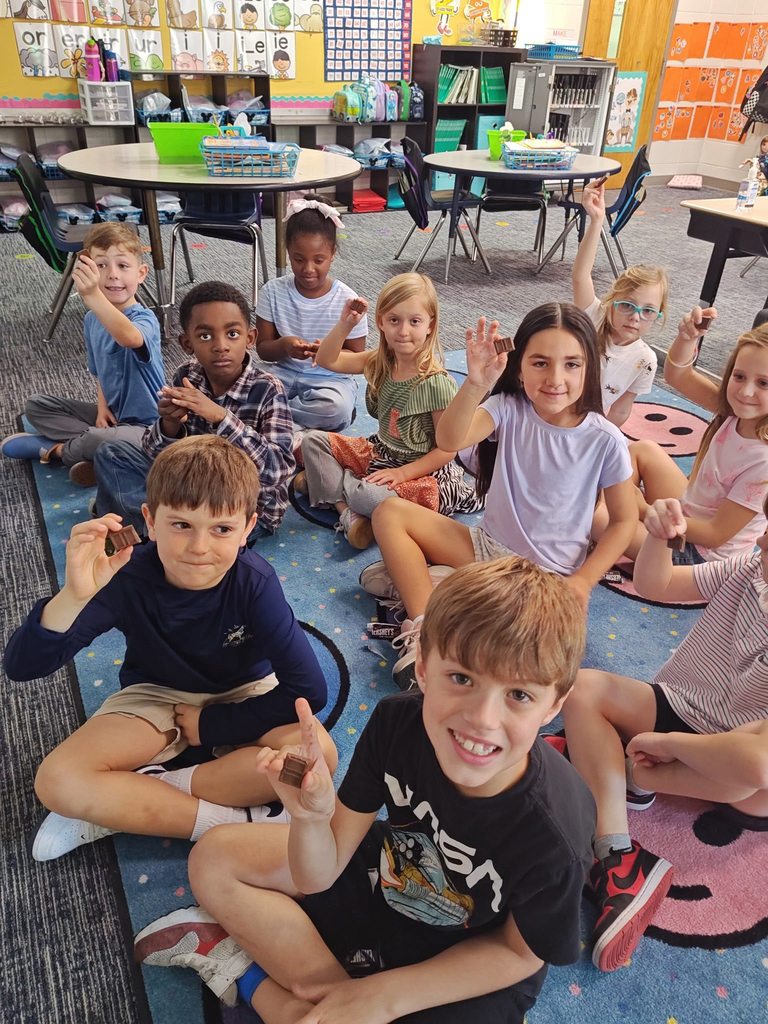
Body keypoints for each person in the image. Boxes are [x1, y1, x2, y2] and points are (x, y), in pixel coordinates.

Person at [135, 557, 597, 1024]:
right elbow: (320, 871)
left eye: (518, 695)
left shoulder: (556, 832)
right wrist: (312, 820)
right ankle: (320, 991)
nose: (482, 719)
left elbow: (518, 955)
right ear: (422, 668)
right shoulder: (397, 721)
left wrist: (386, 997)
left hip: (467, 959)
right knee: (214, 859)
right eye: (461, 678)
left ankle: (248, 979)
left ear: (554, 704)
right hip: (388, 877)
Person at [3, 435, 335, 863]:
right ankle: (229, 822)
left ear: (247, 530)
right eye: (181, 525)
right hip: (155, 693)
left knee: (316, 756)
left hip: (244, 689)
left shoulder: (255, 581)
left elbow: (309, 689)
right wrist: (72, 596)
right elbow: (23, 666)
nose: (199, 548)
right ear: (149, 521)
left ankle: (121, 802)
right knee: (57, 782)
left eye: (221, 529)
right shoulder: (125, 575)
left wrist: (212, 726)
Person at [368, 302, 637, 689]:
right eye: (540, 362)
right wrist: (476, 382)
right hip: (486, 550)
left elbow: (625, 521)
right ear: (520, 364)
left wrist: (583, 582)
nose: (555, 378)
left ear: (590, 367)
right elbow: (450, 439)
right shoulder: (508, 407)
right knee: (389, 513)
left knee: (531, 659)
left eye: (572, 364)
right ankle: (426, 628)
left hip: (545, 580)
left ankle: (437, 587)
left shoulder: (605, 439)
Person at [561, 493, 768, 973]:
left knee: (746, 776)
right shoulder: (748, 569)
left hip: (741, 768)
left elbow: (756, 761)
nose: (761, 541)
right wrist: (656, 539)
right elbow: (657, 582)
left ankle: (636, 775)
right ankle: (615, 853)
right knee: (583, 688)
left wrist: (666, 748)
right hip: (683, 702)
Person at [93, 280, 295, 540]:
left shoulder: (268, 389)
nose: (220, 345)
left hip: (243, 507)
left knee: (203, 521)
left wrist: (221, 417)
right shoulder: (187, 375)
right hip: (190, 486)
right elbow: (159, 456)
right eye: (205, 336)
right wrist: (169, 425)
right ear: (187, 343)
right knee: (112, 453)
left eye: (232, 334)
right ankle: (154, 529)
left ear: (250, 338)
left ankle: (147, 528)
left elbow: (278, 471)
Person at [295, 273, 482, 550]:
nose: (403, 331)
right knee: (312, 440)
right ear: (381, 321)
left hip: (423, 472)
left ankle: (332, 487)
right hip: (382, 453)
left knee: (368, 496)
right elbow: (327, 359)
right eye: (394, 320)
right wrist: (345, 325)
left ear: (431, 325)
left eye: (414, 321)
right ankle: (347, 512)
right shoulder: (380, 360)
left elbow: (447, 451)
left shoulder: (436, 383)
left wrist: (404, 474)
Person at [1, 223, 163, 486]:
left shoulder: (145, 319)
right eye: (101, 266)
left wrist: (92, 295)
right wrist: (102, 408)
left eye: (123, 266)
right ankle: (97, 454)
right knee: (37, 405)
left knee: (99, 439)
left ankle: (57, 451)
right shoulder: (92, 319)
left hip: (150, 428)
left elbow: (130, 337)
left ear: (141, 273)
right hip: (114, 417)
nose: (112, 275)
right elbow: (99, 370)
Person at [624, 320, 768, 563]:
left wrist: (642, 510)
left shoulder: (763, 461)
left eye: (764, 383)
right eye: (739, 376)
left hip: (698, 557)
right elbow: (677, 375)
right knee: (642, 450)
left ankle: (620, 524)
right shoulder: (734, 412)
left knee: (599, 513)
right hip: (688, 513)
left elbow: (714, 534)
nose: (745, 392)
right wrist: (687, 338)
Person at [254, 194, 367, 439]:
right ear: (288, 252)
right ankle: (301, 426)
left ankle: (275, 418)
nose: (308, 269)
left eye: (319, 260)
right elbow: (262, 349)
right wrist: (284, 346)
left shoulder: (348, 300)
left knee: (334, 409)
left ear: (333, 254)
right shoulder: (272, 291)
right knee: (247, 385)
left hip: (330, 380)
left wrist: (328, 351)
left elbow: (358, 359)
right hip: (283, 372)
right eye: (298, 259)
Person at [572, 179, 667, 426]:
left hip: (586, 428)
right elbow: (581, 275)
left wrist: (603, 441)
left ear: (658, 315)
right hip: (548, 409)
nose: (635, 317)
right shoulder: (592, 316)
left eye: (648, 311)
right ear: (611, 302)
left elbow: (621, 411)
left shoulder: (645, 360)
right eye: (627, 305)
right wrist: (596, 221)